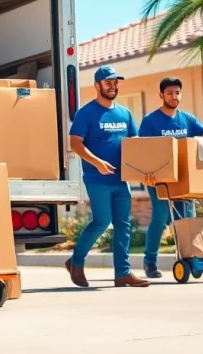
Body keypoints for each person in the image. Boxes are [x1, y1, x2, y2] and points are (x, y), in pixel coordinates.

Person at [65, 65, 150, 288]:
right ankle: (76, 261)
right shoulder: (87, 112)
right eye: (108, 82)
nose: (113, 86)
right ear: (97, 85)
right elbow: (75, 143)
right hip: (97, 178)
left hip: (122, 179)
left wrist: (144, 171)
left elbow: (135, 144)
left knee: (123, 224)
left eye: (115, 82)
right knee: (101, 222)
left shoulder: (125, 113)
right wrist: (97, 162)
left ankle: (123, 273)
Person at [139, 76, 203, 278]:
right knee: (161, 219)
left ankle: (190, 259)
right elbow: (142, 150)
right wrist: (146, 177)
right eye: (169, 93)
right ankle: (150, 263)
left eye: (177, 92)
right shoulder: (150, 121)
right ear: (161, 95)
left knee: (187, 220)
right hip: (159, 180)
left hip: (184, 180)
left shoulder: (187, 119)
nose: (174, 96)